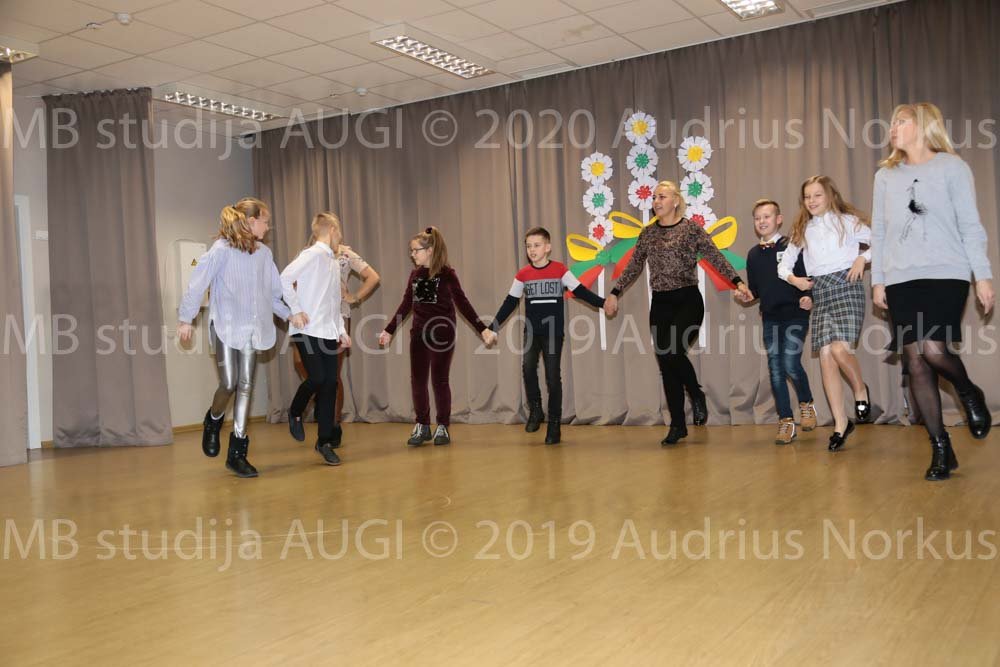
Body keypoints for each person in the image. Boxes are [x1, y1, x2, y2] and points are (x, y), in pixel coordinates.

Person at [871, 102, 994, 480]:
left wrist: (982, 275)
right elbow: (879, 231)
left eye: (901, 121)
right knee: (916, 362)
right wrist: (878, 280)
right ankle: (941, 447)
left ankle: (968, 391)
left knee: (933, 349)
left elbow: (970, 225)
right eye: (892, 122)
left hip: (946, 273)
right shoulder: (885, 176)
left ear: (923, 125)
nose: (893, 127)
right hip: (901, 279)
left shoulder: (952, 167)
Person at [604, 181, 750, 445]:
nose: (656, 201)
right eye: (655, 197)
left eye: (662, 197)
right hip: (661, 303)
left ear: (675, 201)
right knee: (666, 363)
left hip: (688, 300)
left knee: (672, 352)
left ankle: (696, 393)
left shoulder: (691, 229)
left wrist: (737, 282)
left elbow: (715, 256)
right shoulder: (648, 234)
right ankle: (677, 425)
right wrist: (614, 292)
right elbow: (634, 265)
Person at [178, 197, 290, 478]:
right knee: (229, 383)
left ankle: (237, 453)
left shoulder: (264, 254)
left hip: (252, 328)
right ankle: (213, 419)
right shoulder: (221, 250)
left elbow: (272, 293)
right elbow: (197, 284)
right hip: (225, 326)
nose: (268, 227)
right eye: (265, 221)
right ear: (251, 221)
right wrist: (186, 319)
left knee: (246, 384)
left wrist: (291, 314)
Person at [778, 175, 875, 452]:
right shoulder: (802, 229)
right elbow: (784, 265)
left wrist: (862, 258)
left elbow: (879, 241)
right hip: (820, 290)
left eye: (817, 195)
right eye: (807, 196)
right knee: (825, 356)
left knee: (840, 349)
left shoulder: (847, 221)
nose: (812, 201)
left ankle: (860, 389)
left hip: (846, 285)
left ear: (830, 195)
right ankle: (841, 423)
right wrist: (795, 280)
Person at [378, 227, 496, 446]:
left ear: (430, 250)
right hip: (419, 334)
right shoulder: (415, 275)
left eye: (416, 250)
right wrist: (389, 330)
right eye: (411, 251)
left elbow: (463, 303)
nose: (412, 254)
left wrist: (483, 329)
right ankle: (422, 424)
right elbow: (406, 304)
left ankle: (443, 426)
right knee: (417, 381)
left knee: (439, 380)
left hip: (442, 334)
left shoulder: (447, 275)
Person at [490, 227, 605, 444]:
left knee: (553, 377)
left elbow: (580, 291)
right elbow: (510, 302)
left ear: (547, 247)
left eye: (537, 245)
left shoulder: (560, 270)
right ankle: (536, 409)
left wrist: (603, 303)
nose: (532, 250)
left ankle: (554, 424)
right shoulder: (523, 274)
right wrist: (492, 326)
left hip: (553, 333)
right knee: (527, 367)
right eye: (528, 246)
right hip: (532, 332)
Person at [737, 199, 817, 444]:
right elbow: (756, 290)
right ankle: (786, 420)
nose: (762, 221)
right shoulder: (753, 254)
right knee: (775, 368)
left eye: (767, 216)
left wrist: (808, 297)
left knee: (790, 363)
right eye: (757, 218)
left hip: (795, 313)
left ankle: (806, 403)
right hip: (770, 317)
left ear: (779, 219)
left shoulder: (793, 245)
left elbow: (808, 276)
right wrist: (747, 295)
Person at [280, 212, 353, 466]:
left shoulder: (333, 262)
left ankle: (324, 441)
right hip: (306, 329)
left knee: (330, 383)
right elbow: (284, 279)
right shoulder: (311, 254)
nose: (340, 237)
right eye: (339, 232)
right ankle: (295, 411)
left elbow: (334, 301)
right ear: (332, 230)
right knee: (318, 378)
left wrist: (341, 330)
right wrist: (296, 310)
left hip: (328, 330)